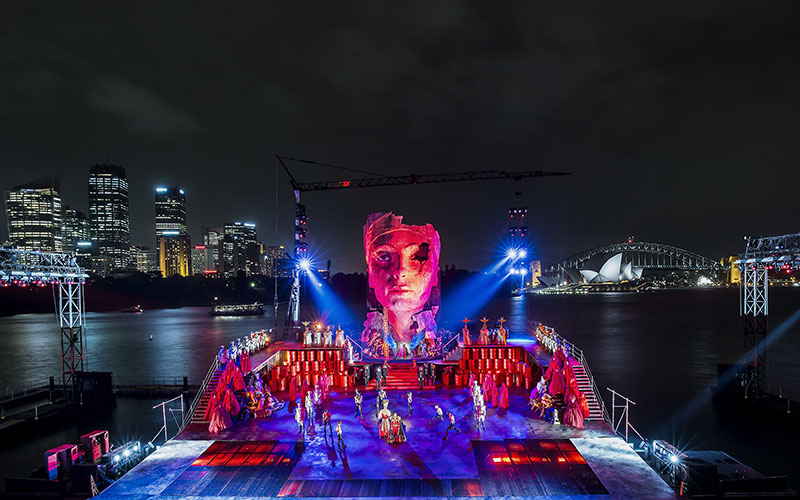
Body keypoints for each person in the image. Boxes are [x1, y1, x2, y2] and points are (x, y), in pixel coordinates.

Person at [360, 212, 442, 351]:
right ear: (370, 276)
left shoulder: (432, 338)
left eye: (417, 257)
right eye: (384, 257)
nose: (400, 271)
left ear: (435, 275)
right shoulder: (373, 339)